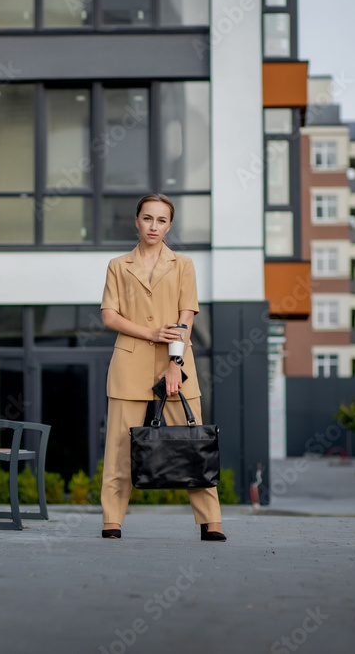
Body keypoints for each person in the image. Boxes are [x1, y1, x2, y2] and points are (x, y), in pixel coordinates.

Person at [99, 193, 226, 542]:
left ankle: (211, 521)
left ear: (170, 225)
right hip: (129, 363)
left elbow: (186, 317)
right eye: (147, 218)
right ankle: (112, 520)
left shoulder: (183, 264)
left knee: (193, 440)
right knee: (119, 448)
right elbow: (110, 315)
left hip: (177, 364)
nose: (153, 226)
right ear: (136, 221)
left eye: (161, 220)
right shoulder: (118, 265)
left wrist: (176, 364)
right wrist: (151, 333)